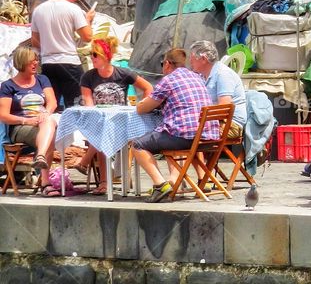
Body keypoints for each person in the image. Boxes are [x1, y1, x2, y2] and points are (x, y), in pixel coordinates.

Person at [131, 48, 219, 203]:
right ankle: (189, 181)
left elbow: (142, 108)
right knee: (169, 130)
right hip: (208, 136)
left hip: (186, 137)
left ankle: (160, 185)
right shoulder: (197, 77)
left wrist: (144, 103)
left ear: (167, 64)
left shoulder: (169, 80)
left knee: (138, 145)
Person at [77, 36, 153, 193]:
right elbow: (88, 104)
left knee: (103, 129)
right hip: (99, 120)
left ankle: (92, 169)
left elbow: (148, 88)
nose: (92, 57)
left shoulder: (123, 73)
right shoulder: (88, 77)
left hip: (122, 122)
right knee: (102, 127)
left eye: (95, 54)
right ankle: (103, 181)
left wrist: (142, 105)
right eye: (91, 54)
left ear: (106, 56)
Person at [0, 46, 60, 195]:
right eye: (31, 62)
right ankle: (46, 184)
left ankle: (40, 157)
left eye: (36, 61)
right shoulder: (8, 86)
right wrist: (26, 121)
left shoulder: (42, 79)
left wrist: (44, 113)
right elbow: (3, 115)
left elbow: (52, 103)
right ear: (21, 63)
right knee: (50, 130)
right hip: (20, 127)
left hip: (43, 122)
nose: (36, 64)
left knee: (49, 122)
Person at [30, 0, 95, 110]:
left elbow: (34, 41)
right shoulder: (73, 9)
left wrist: (50, 46)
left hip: (48, 63)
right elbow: (87, 37)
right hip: (69, 62)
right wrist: (87, 20)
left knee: (52, 106)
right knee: (77, 106)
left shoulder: (38, 10)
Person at [189, 40, 247, 138]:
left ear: (203, 59)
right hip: (214, 122)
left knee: (184, 133)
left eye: (192, 57)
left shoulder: (223, 74)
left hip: (230, 125)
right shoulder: (203, 76)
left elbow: (224, 108)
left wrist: (197, 117)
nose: (190, 61)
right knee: (181, 130)